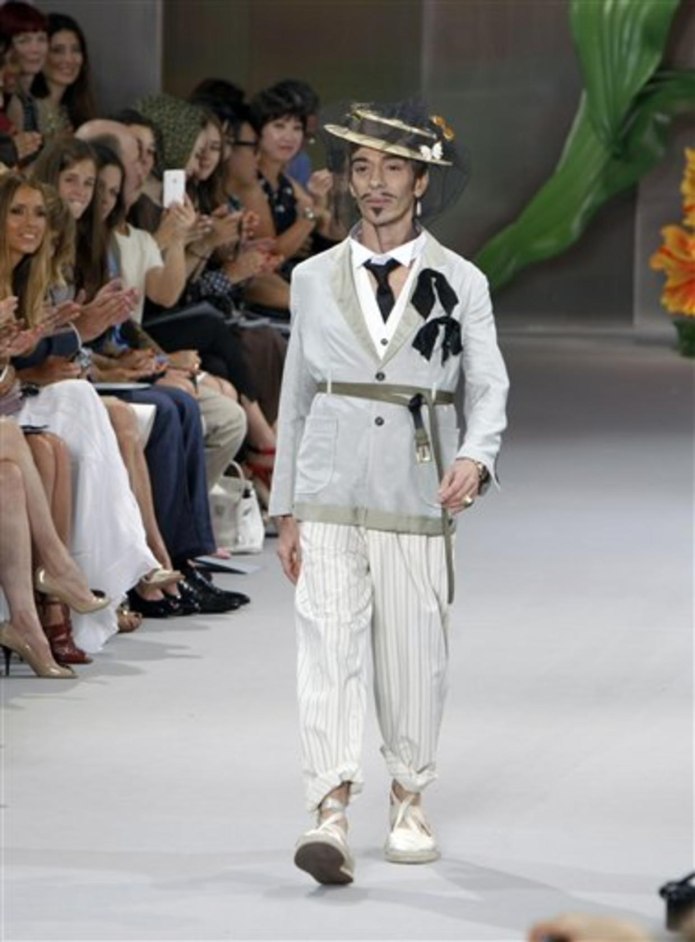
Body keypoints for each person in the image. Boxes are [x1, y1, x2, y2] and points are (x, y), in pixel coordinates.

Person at [269, 101, 509, 885]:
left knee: (413, 651)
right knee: (326, 647)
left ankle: (408, 797)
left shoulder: (461, 280)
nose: (375, 184)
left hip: (415, 485)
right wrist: (284, 507)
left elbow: (488, 384)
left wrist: (474, 456)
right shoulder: (310, 278)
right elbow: (295, 394)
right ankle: (329, 809)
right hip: (328, 483)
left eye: (392, 169)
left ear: (420, 181)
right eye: (363, 168)